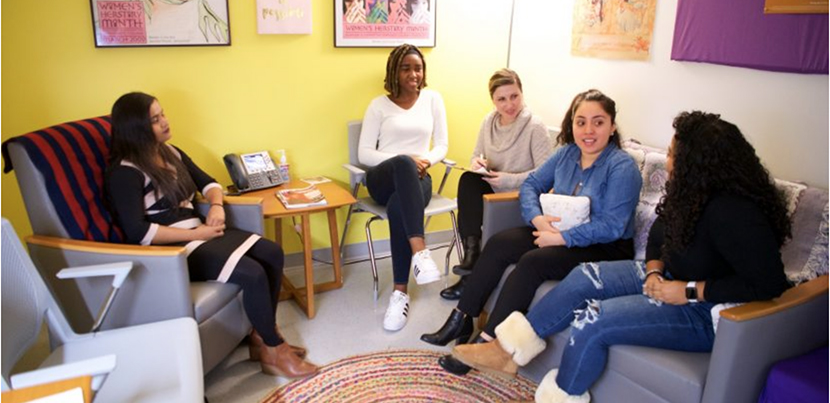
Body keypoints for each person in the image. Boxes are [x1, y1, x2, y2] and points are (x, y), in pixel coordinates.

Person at [450, 111, 792, 403]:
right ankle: (505, 350)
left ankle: (562, 395)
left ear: (698, 164)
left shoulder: (737, 213)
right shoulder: (691, 194)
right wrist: (655, 271)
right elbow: (659, 236)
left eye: (674, 154)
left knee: (592, 319)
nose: (669, 161)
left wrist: (688, 291)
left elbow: (768, 283)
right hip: (667, 277)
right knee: (584, 277)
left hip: (705, 310)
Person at [421, 89, 642, 377]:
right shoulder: (566, 154)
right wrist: (537, 219)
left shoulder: (622, 167)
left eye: (598, 122)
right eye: (581, 122)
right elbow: (531, 185)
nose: (588, 130)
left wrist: (561, 239)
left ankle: (487, 344)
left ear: (612, 127)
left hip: (604, 246)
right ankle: (462, 317)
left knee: (533, 262)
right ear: (571, 124)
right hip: (556, 230)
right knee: (500, 243)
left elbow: (613, 225)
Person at [105, 92, 318, 378]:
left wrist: (216, 205)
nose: (165, 122)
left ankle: (261, 337)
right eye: (155, 120)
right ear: (136, 129)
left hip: (201, 233)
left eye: (163, 114)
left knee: (272, 252)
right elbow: (138, 233)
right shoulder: (125, 173)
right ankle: (273, 349)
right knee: (252, 273)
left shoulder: (172, 152)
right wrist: (199, 234)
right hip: (174, 250)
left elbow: (210, 183)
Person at [440, 68, 553, 301]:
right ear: (493, 100)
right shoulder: (488, 122)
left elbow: (546, 176)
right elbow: (474, 156)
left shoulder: (535, 126)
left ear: (522, 94)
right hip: (492, 190)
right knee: (468, 180)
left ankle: (469, 278)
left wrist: (508, 179)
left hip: (518, 196)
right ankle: (471, 254)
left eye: (514, 96)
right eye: (501, 99)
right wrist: (479, 163)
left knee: (473, 203)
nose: (509, 104)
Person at [358, 43, 449, 332]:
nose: (413, 73)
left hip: (417, 180)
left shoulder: (433, 99)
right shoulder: (378, 106)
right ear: (394, 72)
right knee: (402, 164)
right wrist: (405, 159)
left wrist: (425, 160)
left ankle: (400, 294)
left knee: (400, 207)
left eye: (418, 68)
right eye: (406, 68)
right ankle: (421, 252)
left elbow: (443, 145)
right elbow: (364, 154)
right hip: (382, 179)